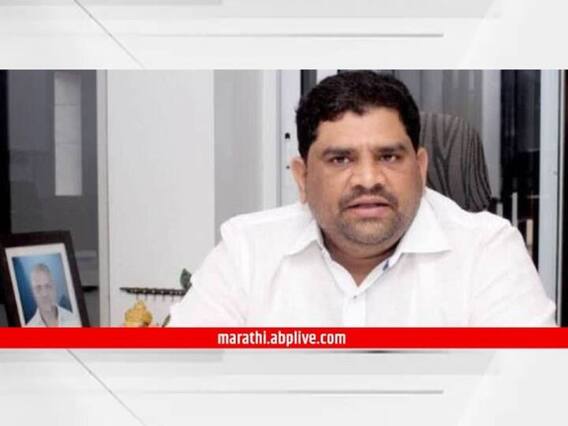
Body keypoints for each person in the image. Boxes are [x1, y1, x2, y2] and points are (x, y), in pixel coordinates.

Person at [169, 71, 556, 327]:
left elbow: (524, 398)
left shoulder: (487, 250)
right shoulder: (247, 249)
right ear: (302, 177)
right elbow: (185, 388)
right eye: (340, 159)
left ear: (421, 168)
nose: (369, 179)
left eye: (389, 157)